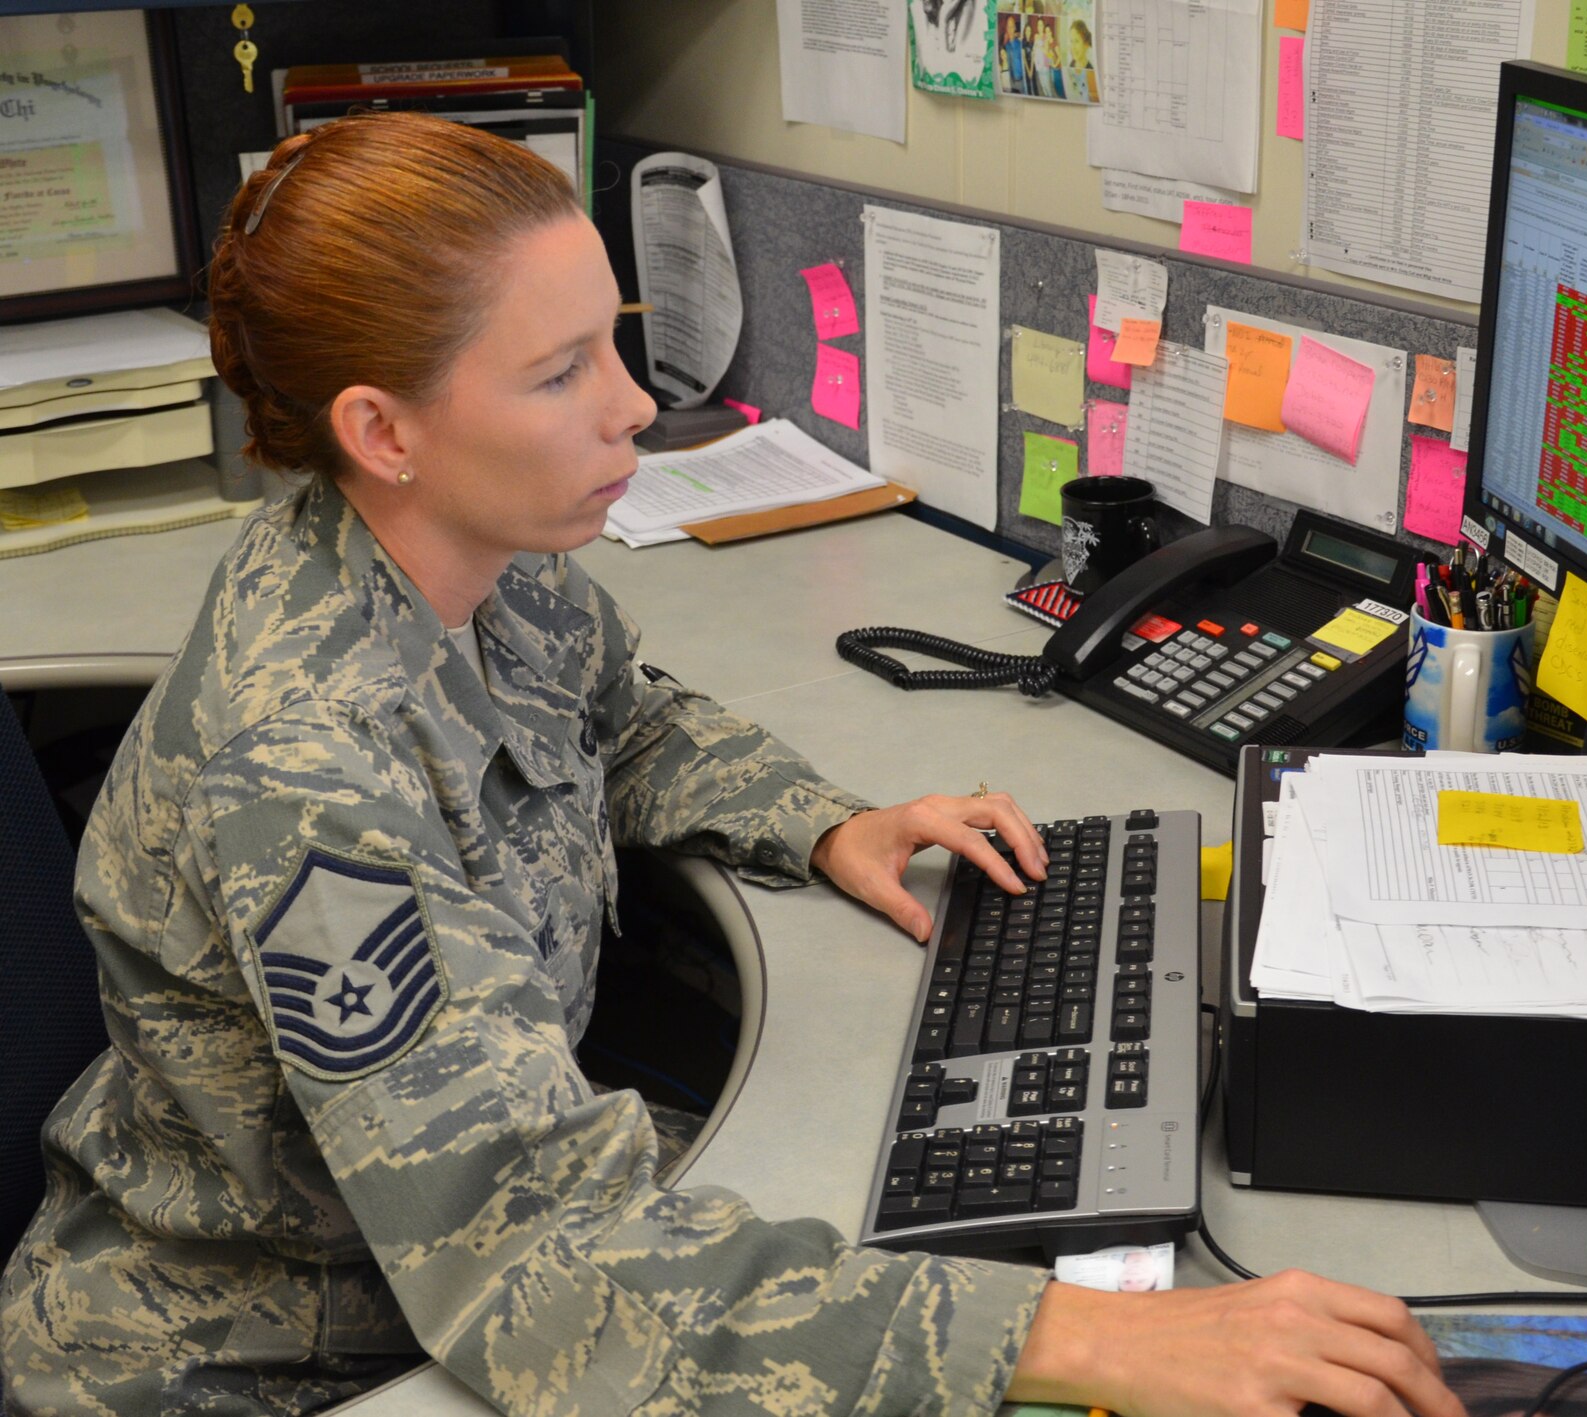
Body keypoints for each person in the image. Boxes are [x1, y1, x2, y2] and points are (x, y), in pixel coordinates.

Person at [0, 113, 1470, 1417]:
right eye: (561, 369)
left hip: (430, 1243)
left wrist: (827, 822)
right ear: (381, 429)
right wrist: (1096, 1343)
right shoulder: (306, 765)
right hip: (262, 1356)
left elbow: (621, 714)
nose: (634, 403)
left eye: (616, 341)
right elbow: (540, 1285)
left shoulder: (480, 554)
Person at [1066, 17, 1100, 103]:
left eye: (1077, 41)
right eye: (1071, 41)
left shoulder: (1092, 71)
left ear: (1086, 44)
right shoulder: (1069, 67)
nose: (1073, 47)